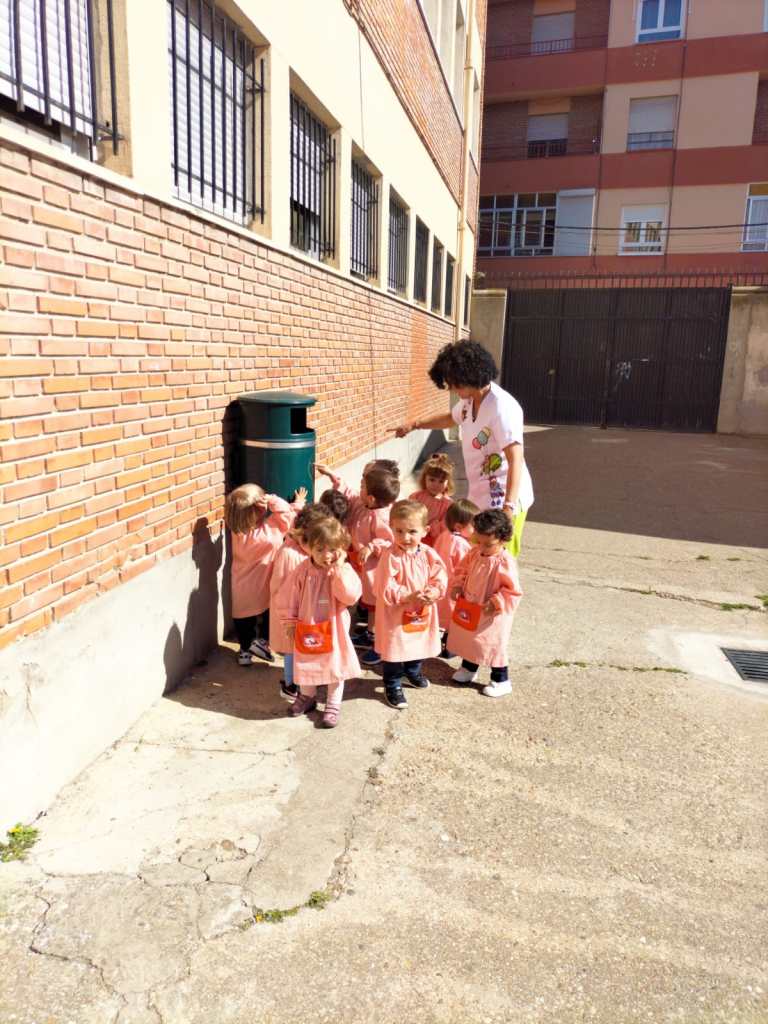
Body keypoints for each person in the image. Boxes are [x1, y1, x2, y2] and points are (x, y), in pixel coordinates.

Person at [392, 339, 534, 557]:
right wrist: (415, 424)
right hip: (481, 495)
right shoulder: (469, 401)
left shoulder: (502, 408)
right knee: (479, 556)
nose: (451, 389)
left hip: (505, 498)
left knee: (499, 559)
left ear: (471, 376)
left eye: (455, 384)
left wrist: (508, 508)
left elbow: (515, 458)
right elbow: (450, 418)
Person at [276, 517, 362, 729]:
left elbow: (350, 596)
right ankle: (307, 696)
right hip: (307, 624)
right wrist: (290, 621)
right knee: (307, 662)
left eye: (332, 549)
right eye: (320, 549)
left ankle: (333, 703)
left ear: (341, 549)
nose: (327, 555)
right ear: (309, 548)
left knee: (335, 665)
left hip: (334, 627)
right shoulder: (302, 570)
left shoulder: (343, 570)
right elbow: (289, 596)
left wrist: (339, 570)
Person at [314, 462, 399, 668]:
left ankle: (378, 643)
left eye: (363, 487)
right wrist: (333, 476)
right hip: (361, 564)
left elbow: (388, 540)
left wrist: (371, 546)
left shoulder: (382, 517)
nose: (358, 489)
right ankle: (369, 634)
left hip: (374, 570)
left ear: (371, 498)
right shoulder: (363, 503)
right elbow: (349, 493)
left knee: (376, 606)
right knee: (368, 604)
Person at [372, 500, 447, 710]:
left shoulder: (428, 553)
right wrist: (407, 596)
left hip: (421, 610)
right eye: (399, 531)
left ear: (425, 531)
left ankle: (412, 672)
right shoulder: (390, 556)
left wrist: (434, 591)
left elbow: (439, 576)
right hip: (396, 614)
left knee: (418, 643)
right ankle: (392, 684)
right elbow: (384, 587)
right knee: (395, 649)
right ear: (391, 528)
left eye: (412, 531)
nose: (405, 537)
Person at [224, 483, 306, 666]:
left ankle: (245, 651)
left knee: (244, 619)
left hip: (242, 586)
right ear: (259, 509)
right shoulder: (269, 531)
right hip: (265, 583)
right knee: (269, 614)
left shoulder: (237, 532)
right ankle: (261, 642)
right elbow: (288, 517)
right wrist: (276, 500)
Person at [446, 509, 522, 698]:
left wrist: (496, 602)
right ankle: (469, 668)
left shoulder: (504, 561)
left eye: (488, 544)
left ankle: (501, 680)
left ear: (503, 539)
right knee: (470, 638)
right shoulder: (475, 553)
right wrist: (458, 585)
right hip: (471, 604)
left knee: (492, 643)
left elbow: (512, 590)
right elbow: (462, 569)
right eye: (478, 541)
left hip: (492, 612)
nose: (482, 547)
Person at [269, 503, 332, 701]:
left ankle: (306, 680)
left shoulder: (310, 553)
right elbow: (280, 588)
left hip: (310, 611)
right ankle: (291, 685)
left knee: (307, 647)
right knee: (292, 650)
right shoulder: (289, 554)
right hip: (292, 614)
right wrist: (288, 617)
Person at [433, 498, 479, 652]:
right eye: (473, 526)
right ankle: (450, 645)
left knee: (442, 612)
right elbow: (465, 567)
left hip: (440, 582)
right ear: (459, 526)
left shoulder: (444, 535)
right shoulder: (461, 544)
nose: (476, 530)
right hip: (453, 585)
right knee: (454, 614)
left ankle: (443, 640)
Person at [409, 451, 454, 545]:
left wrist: (432, 527)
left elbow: (445, 525)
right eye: (432, 480)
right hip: (415, 537)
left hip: (435, 541)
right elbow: (407, 515)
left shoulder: (448, 504)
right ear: (424, 478)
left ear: (448, 483)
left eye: (441, 481)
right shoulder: (416, 497)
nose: (436, 485)